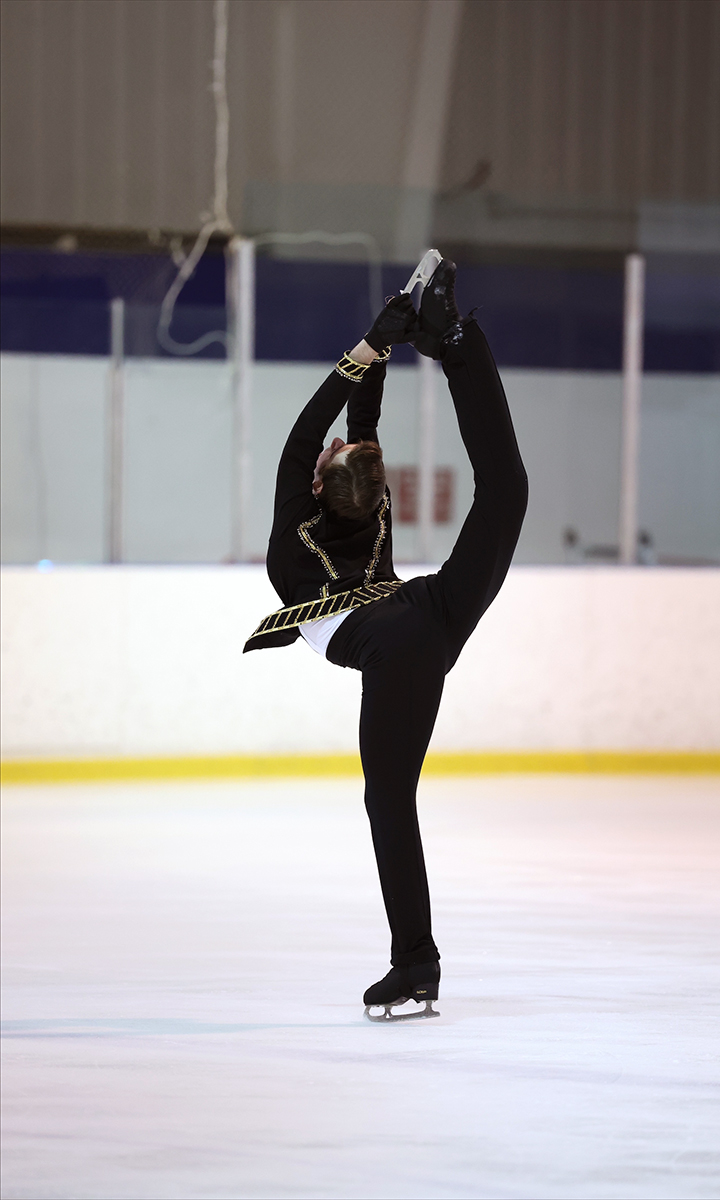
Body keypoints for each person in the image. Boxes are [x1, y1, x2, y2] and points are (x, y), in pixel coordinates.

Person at [244, 259, 528, 1020]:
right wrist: (379, 348)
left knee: (389, 801)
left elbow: (316, 433)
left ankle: (417, 964)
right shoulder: (367, 502)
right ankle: (457, 338)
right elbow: (343, 430)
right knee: (506, 492)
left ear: (318, 483)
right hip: (431, 609)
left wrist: (374, 348)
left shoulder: (296, 532)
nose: (342, 444)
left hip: (406, 638)